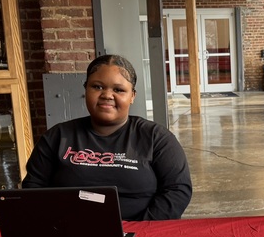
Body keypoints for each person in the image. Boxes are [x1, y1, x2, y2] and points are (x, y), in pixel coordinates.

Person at [22, 54, 192, 220]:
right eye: (97, 86)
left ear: (132, 96)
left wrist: (143, 228)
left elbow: (177, 190)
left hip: (141, 235)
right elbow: (33, 188)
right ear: (85, 89)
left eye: (118, 90)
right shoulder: (57, 136)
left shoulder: (156, 138)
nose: (107, 95)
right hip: (69, 236)